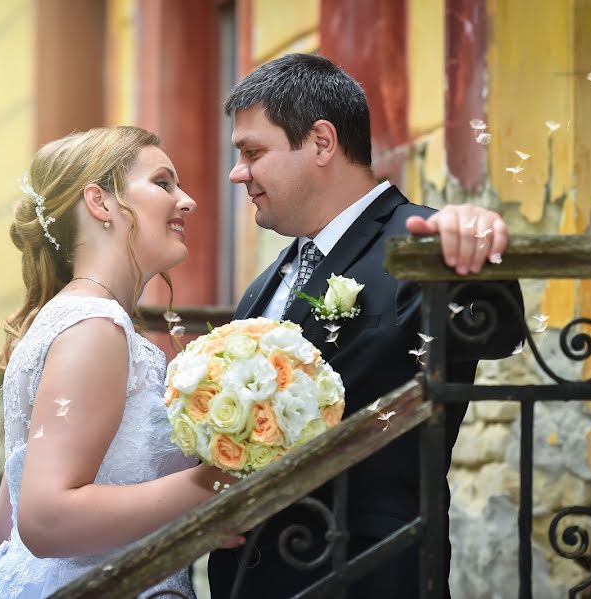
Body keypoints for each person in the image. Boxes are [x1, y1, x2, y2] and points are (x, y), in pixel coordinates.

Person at [207, 53, 524, 598]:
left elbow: (498, 329)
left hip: (366, 572)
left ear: (323, 143)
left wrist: (479, 239)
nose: (238, 173)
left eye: (253, 152)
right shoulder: (264, 285)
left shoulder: (418, 244)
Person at [0, 126, 241, 599]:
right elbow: (43, 519)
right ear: (100, 203)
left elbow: (5, 520)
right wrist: (214, 483)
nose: (188, 201)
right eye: (163, 183)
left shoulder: (70, 318)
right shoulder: (95, 325)